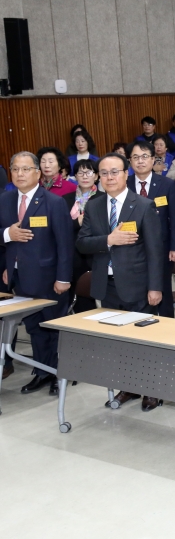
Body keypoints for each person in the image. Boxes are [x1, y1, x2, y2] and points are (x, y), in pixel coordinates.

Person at [76, 153, 163, 411]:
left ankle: (151, 390)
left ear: (126, 174)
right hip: (108, 284)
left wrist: (155, 287)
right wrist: (108, 240)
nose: (109, 177)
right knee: (119, 341)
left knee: (143, 340)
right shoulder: (93, 204)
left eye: (115, 172)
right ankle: (129, 387)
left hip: (138, 284)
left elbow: (155, 251)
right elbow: (82, 243)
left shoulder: (144, 205)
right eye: (104, 173)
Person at [0, 152, 73, 396]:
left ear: (37, 173)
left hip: (49, 279)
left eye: (25, 169)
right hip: (19, 278)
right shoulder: (5, 200)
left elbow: (64, 244)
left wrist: (63, 278)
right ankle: (41, 372)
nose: (20, 174)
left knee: (51, 326)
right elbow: (3, 236)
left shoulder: (53, 202)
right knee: (33, 328)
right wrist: (8, 235)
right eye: (15, 169)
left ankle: (56, 374)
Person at [129, 141, 175, 318]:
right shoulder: (125, 184)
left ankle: (167, 328)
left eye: (145, 157)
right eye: (136, 157)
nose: (140, 161)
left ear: (153, 160)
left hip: (162, 248)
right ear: (130, 161)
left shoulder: (166, 184)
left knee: (163, 290)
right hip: (132, 248)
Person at [63, 158, 100, 312]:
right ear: (75, 176)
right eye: (80, 172)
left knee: (88, 295)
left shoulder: (102, 199)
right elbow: (60, 227)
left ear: (96, 176)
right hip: (70, 252)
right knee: (70, 293)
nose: (85, 176)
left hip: (93, 253)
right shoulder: (65, 199)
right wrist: (77, 222)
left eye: (89, 172)